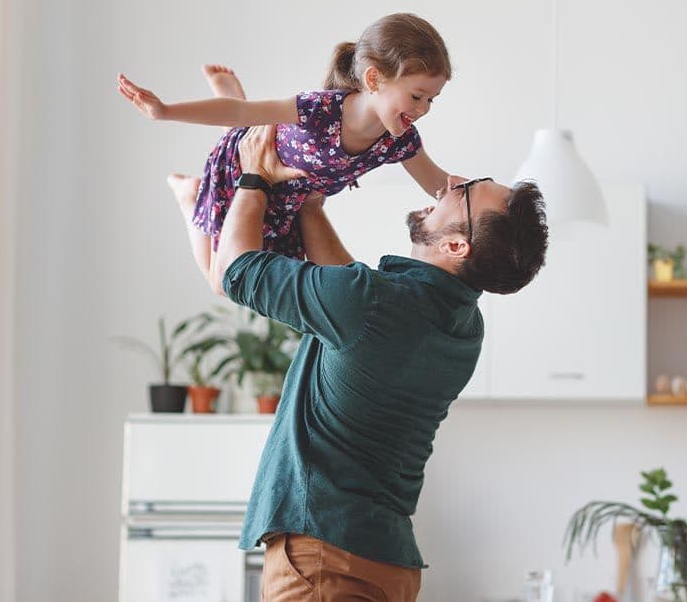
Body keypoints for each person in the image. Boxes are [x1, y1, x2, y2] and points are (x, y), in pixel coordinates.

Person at [216, 123, 549, 601]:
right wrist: (310, 206)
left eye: (467, 193)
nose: (451, 183)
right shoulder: (462, 326)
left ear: (457, 246)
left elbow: (236, 269)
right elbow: (350, 299)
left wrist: (254, 177)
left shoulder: (371, 303)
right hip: (385, 562)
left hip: (324, 559)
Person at [117, 13, 454, 290]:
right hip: (243, 169)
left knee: (250, 281)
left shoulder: (400, 141)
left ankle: (236, 101)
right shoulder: (320, 109)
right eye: (416, 96)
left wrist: (502, 199)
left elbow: (441, 184)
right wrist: (164, 111)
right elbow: (237, 113)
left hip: (286, 202)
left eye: (431, 99)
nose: (423, 109)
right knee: (222, 284)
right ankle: (189, 194)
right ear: (374, 79)